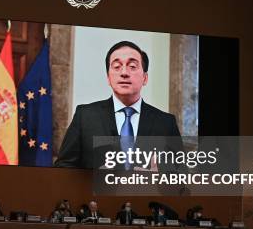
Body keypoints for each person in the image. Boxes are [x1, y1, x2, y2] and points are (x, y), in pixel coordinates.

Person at [55, 41, 182, 169]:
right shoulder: (85, 116)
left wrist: (159, 181)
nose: (124, 73)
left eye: (132, 66)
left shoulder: (166, 123)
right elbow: (63, 168)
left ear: (145, 78)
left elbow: (182, 179)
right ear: (108, 78)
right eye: (116, 66)